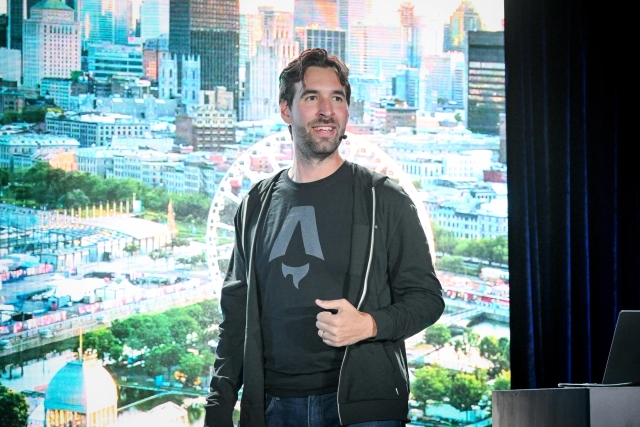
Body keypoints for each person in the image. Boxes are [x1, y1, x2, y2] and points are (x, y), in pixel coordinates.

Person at [205, 48, 444, 427]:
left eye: (338, 98)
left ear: (348, 111)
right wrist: (218, 406)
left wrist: (368, 324)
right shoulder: (254, 204)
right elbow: (235, 314)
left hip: (363, 408)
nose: (327, 110)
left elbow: (428, 299)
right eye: (312, 96)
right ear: (286, 109)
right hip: (272, 408)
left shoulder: (384, 199)